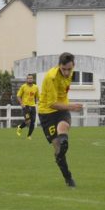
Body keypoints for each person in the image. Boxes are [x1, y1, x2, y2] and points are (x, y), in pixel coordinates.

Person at [37, 53, 83, 188]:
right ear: (59, 66)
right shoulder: (51, 78)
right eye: (64, 69)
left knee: (63, 138)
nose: (67, 72)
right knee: (58, 147)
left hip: (62, 109)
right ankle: (67, 177)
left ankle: (62, 150)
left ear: (73, 66)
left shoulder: (70, 73)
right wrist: (71, 107)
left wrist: (68, 107)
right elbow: (52, 104)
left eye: (69, 69)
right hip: (47, 113)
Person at [16, 73, 39, 139]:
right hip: (26, 107)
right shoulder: (23, 87)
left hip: (33, 106)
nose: (30, 79)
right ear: (26, 79)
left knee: (33, 122)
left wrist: (37, 102)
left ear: (33, 79)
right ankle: (20, 127)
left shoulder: (36, 87)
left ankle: (29, 136)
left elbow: (38, 96)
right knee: (28, 120)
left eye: (31, 78)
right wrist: (21, 103)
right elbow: (18, 96)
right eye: (28, 78)